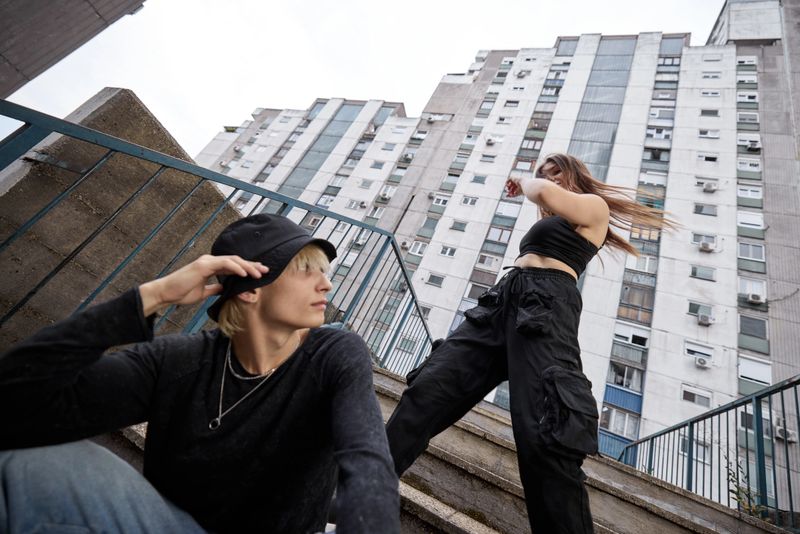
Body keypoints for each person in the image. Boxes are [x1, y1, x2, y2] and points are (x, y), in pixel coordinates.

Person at [0, 213, 400, 534]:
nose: (327, 284)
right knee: (25, 464)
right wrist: (152, 296)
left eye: (325, 271)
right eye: (307, 271)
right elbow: (15, 405)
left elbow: (368, 465)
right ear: (250, 289)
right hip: (169, 524)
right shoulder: (177, 360)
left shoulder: (335, 353)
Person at [386, 153, 675, 533]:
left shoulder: (593, 207)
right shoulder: (550, 214)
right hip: (500, 303)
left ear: (574, 176)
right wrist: (533, 186)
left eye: (555, 172)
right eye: (544, 174)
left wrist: (528, 181)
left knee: (544, 435)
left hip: (548, 307)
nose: (546, 179)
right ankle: (359, 488)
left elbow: (542, 192)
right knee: (428, 389)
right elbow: (543, 197)